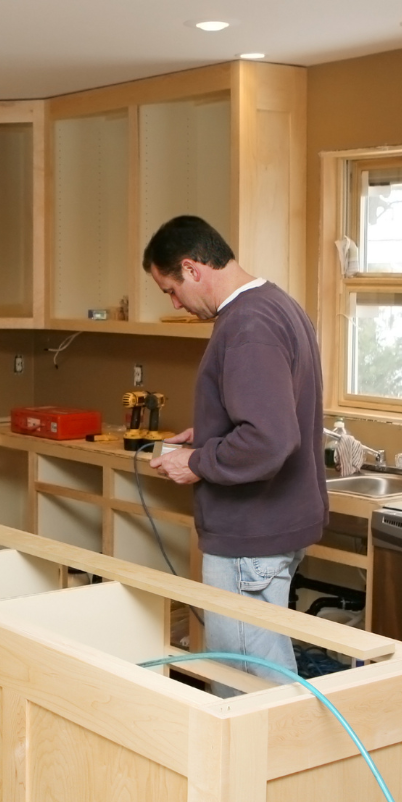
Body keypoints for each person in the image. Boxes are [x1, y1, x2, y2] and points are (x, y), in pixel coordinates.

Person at [144, 215, 325, 688]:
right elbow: (269, 413)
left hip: (250, 535)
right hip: (273, 525)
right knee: (258, 672)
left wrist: (198, 461)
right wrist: (206, 434)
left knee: (249, 684)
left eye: (170, 289)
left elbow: (270, 438)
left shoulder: (247, 324)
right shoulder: (276, 304)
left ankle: (277, 764)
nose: (175, 303)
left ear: (193, 267)